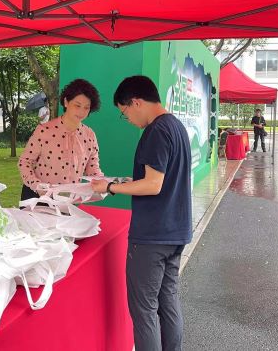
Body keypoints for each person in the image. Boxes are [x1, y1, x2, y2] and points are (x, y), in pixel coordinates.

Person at [91, 75, 191, 351]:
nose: (128, 120)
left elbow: (153, 185)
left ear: (136, 102)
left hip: (152, 235)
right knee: (168, 301)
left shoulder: (155, 131)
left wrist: (109, 187)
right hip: (175, 231)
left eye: (124, 113)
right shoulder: (175, 126)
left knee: (144, 309)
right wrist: (125, 182)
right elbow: (160, 178)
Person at [18, 79, 103, 200]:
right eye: (77, 105)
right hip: (37, 196)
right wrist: (38, 186)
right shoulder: (44, 130)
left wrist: (103, 183)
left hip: (68, 199)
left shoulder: (89, 135)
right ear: (66, 102)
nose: (81, 112)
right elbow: (24, 162)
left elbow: (93, 169)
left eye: (86, 107)